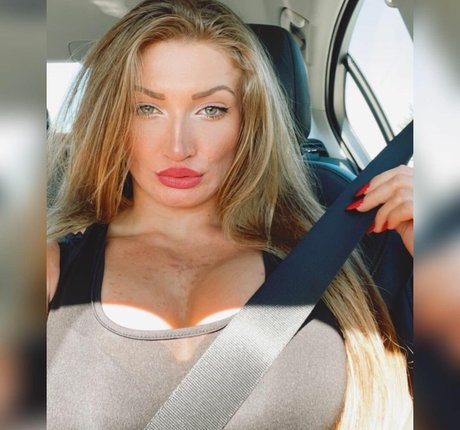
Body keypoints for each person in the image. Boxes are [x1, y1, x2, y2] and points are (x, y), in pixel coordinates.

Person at [47, 0, 414, 428]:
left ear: (248, 121)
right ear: (111, 120)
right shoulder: (50, 268)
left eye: (212, 109)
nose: (178, 147)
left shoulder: (350, 248)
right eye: (147, 108)